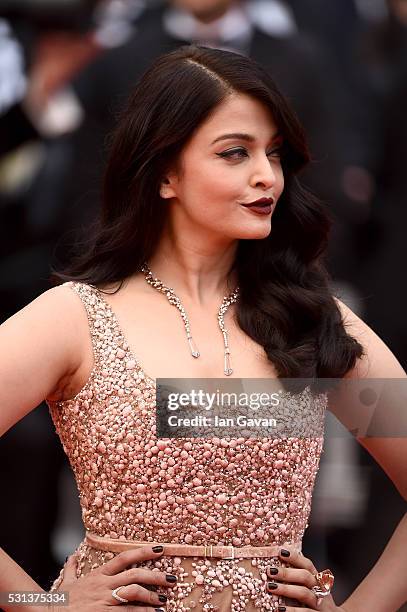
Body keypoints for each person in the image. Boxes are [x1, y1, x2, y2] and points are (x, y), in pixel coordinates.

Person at [0, 44, 406, 612]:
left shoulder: (309, 319)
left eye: (275, 154)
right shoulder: (73, 318)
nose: (266, 177)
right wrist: (40, 605)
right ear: (164, 173)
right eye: (234, 153)